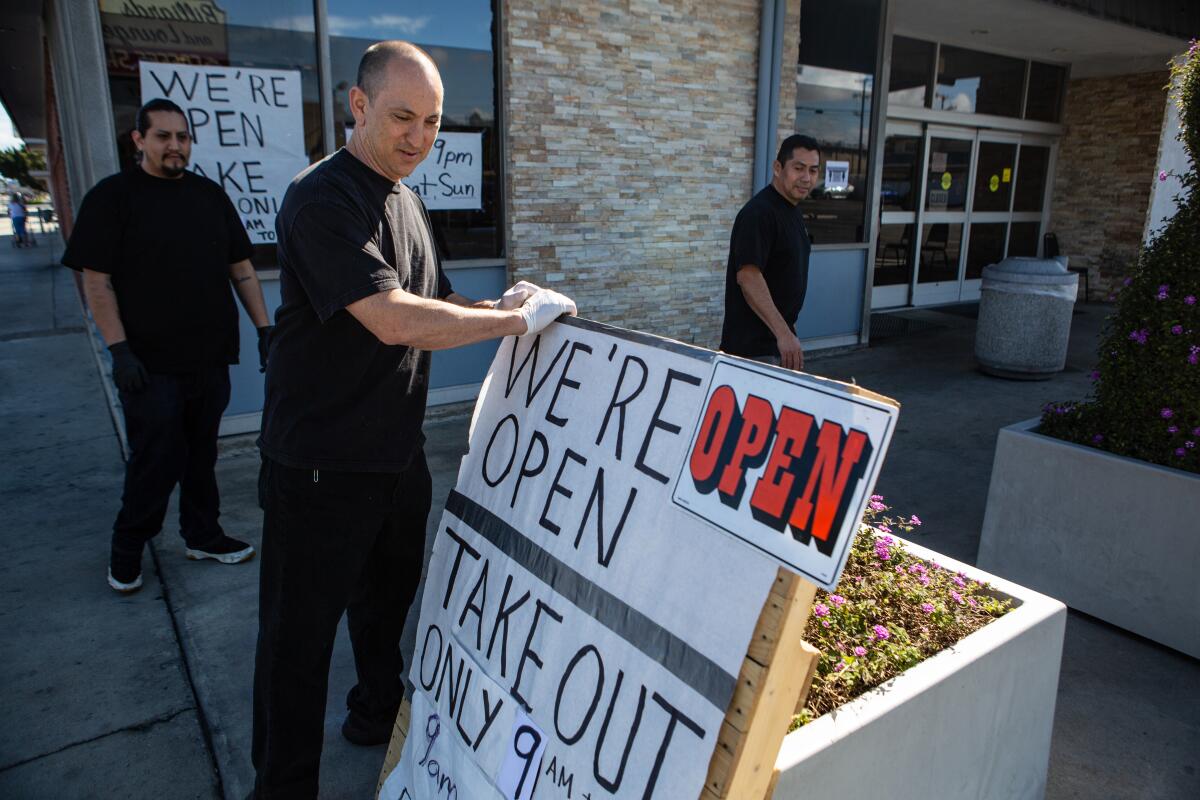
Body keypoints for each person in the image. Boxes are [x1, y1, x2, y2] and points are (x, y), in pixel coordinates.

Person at [251, 41, 575, 798]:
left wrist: (502, 308)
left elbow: (436, 301)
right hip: (318, 466)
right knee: (295, 646)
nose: (420, 137)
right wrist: (512, 329)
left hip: (395, 458)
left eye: (432, 122)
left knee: (385, 610)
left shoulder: (406, 197)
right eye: (402, 117)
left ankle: (373, 716)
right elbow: (394, 319)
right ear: (357, 106)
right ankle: (281, 787)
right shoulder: (322, 198)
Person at [62, 98, 273, 594]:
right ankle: (128, 549)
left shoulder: (208, 196)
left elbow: (241, 269)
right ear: (139, 140)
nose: (175, 145)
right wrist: (119, 351)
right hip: (148, 365)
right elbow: (97, 283)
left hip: (207, 358)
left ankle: (202, 534)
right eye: (163, 136)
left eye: (182, 137)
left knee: (201, 455)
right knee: (156, 459)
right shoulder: (112, 198)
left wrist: (266, 329)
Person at [719, 133, 821, 370]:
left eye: (813, 170)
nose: (806, 178)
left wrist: (786, 335)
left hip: (775, 347)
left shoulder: (791, 211)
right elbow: (748, 277)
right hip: (753, 353)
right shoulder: (759, 213)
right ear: (778, 168)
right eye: (799, 168)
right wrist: (783, 334)